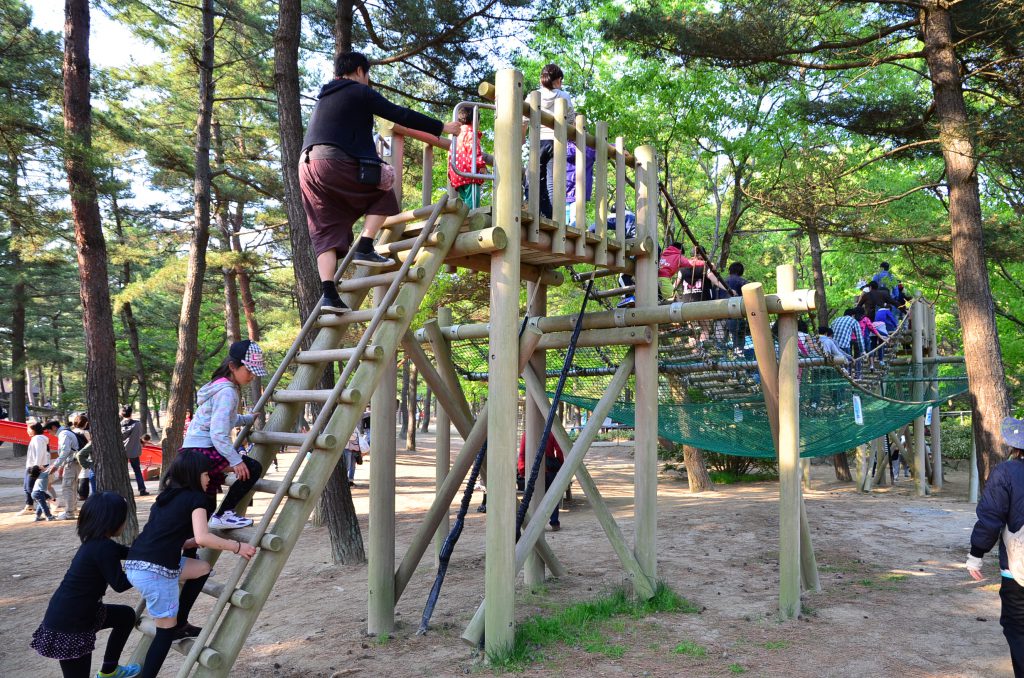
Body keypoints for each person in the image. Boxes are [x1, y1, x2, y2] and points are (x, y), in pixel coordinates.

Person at [299, 51, 461, 312]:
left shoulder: (324, 98)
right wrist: (441, 127)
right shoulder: (358, 91)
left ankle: (328, 294)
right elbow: (400, 115)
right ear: (361, 71)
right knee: (383, 185)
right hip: (332, 161)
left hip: (307, 167)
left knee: (325, 229)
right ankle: (364, 245)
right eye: (368, 74)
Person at [126, 451, 256, 677]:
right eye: (206, 474)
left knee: (202, 569)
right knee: (165, 633)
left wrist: (186, 543)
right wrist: (237, 547)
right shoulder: (197, 499)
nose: (209, 479)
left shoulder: (166, 496)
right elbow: (204, 537)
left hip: (136, 564)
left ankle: (181, 621)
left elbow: (165, 534)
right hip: (157, 570)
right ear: (194, 475)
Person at [30, 492, 140, 678]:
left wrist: (153, 550)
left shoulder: (97, 543)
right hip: (71, 623)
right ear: (112, 520)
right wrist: (149, 570)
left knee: (125, 616)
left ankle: (109, 670)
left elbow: (129, 553)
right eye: (123, 518)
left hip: (81, 613)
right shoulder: (103, 548)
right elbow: (120, 584)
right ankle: (109, 671)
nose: (124, 522)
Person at [181, 339, 268, 529]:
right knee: (251, 468)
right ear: (232, 366)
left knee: (203, 509)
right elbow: (219, 432)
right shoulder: (227, 392)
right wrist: (235, 461)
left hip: (191, 450)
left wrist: (245, 419)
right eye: (249, 370)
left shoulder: (217, 386)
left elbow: (222, 418)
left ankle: (191, 552)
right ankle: (225, 513)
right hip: (204, 449)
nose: (252, 376)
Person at [967, 417, 1024, 676]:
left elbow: (991, 518)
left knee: (1019, 626)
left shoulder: (1006, 472)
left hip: (1018, 569)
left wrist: (976, 554)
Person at [531, 63, 575, 220]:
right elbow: (570, 119)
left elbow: (523, 118)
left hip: (538, 141)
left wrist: (522, 137)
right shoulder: (564, 96)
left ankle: (535, 210)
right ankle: (553, 217)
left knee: (535, 176)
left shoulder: (533, 95)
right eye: (561, 80)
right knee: (552, 181)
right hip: (557, 142)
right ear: (557, 80)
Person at [518, 431, 565, 531]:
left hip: (533, 470)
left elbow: (522, 453)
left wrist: (522, 469)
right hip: (549, 470)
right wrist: (559, 463)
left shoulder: (527, 433)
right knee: (553, 496)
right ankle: (554, 522)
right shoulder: (551, 433)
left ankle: (535, 524)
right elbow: (559, 450)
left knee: (534, 497)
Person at [447, 106, 492, 209]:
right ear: (475, 121)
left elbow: (450, 156)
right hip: (470, 174)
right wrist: (481, 166)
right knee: (472, 203)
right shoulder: (471, 134)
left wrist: (451, 174)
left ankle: (463, 219)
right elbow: (474, 152)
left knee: (464, 203)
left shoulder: (456, 136)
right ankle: (471, 219)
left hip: (457, 175)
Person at [54, 414, 89, 521]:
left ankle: (70, 512)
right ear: (86, 423)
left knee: (68, 487)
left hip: (71, 462)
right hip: (79, 462)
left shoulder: (68, 433)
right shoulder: (83, 433)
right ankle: (72, 508)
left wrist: (57, 465)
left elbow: (65, 451)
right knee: (73, 485)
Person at [20, 420, 54, 515]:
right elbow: (45, 453)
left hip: (36, 466)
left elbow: (40, 453)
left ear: (34, 429)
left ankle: (50, 500)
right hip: (35, 465)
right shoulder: (38, 438)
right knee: (27, 487)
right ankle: (29, 506)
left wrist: (36, 466)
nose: (27, 430)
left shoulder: (38, 439)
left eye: (28, 429)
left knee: (31, 488)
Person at [121, 406, 148, 496]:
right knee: (137, 470)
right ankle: (142, 489)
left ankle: (124, 490)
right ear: (131, 413)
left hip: (122, 451)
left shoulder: (118, 425)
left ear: (122, 413)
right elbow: (139, 435)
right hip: (134, 451)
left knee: (123, 471)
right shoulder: (137, 424)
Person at [725, 263, 749, 350]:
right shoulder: (743, 282)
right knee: (738, 340)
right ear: (741, 271)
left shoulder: (721, 282)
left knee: (721, 341)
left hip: (721, 317)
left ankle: (722, 359)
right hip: (737, 315)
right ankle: (739, 356)